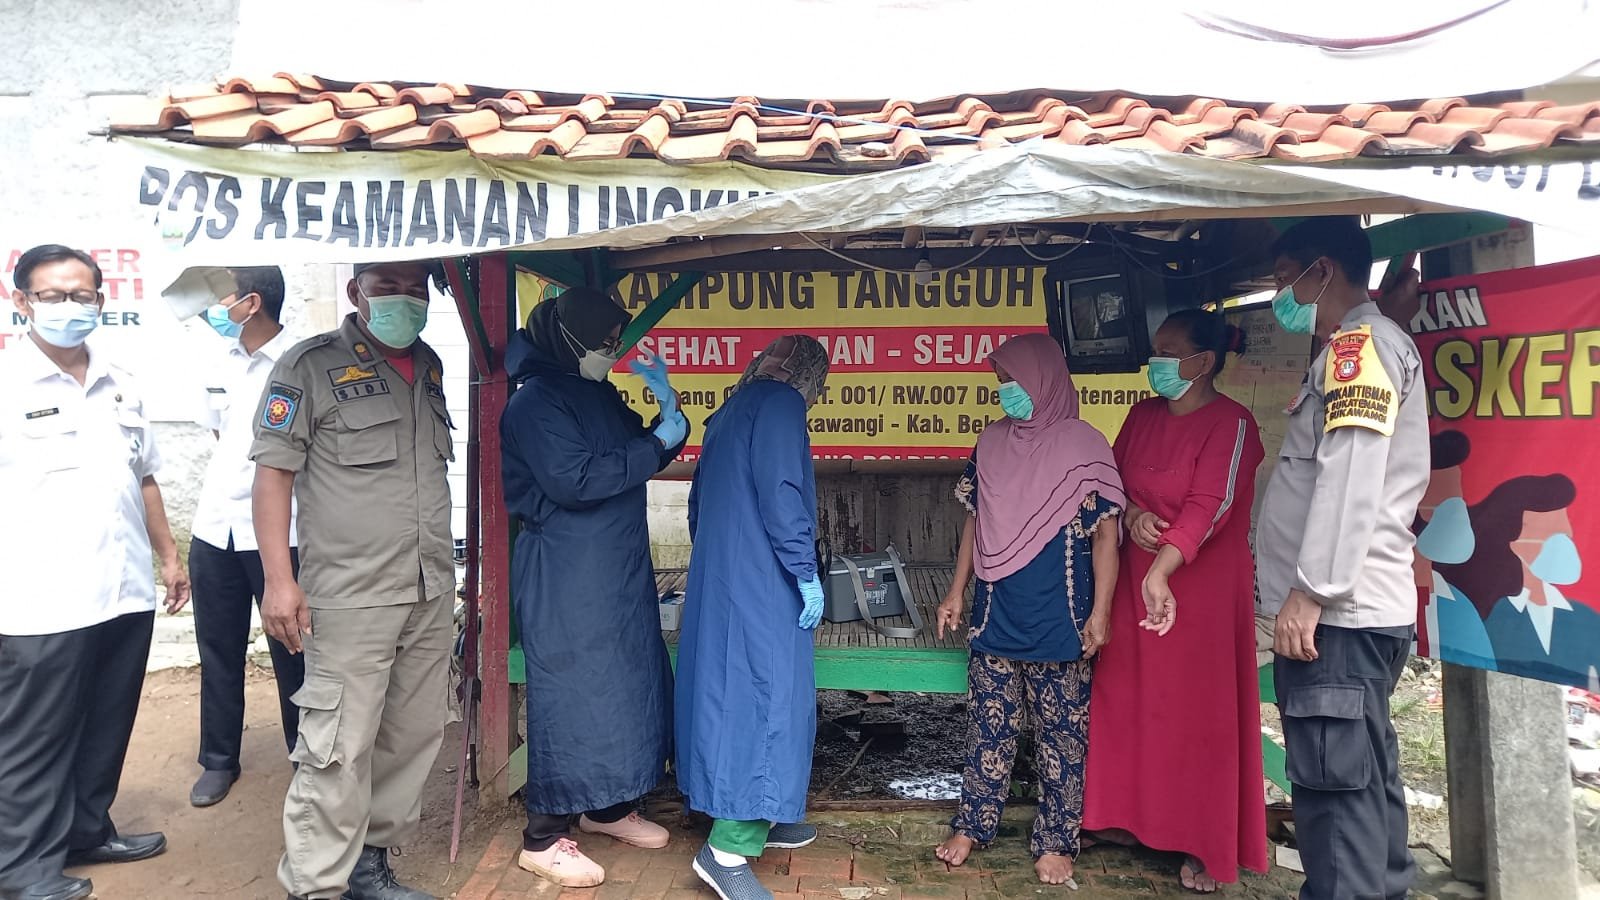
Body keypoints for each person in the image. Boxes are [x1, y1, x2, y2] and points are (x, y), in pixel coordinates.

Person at [253, 260, 456, 900]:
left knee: (411, 734)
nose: (404, 300)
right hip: (350, 595)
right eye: (387, 287)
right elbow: (273, 474)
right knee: (338, 743)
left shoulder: (428, 365)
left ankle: (369, 867)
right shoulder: (308, 366)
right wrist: (279, 581)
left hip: (427, 587)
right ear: (356, 292)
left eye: (415, 290)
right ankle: (316, 886)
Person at [0, 244, 190, 900]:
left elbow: (144, 477)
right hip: (40, 600)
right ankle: (21, 869)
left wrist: (168, 557)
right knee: (34, 738)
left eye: (82, 296)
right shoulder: (8, 383)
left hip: (123, 589)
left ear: (102, 301)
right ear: (22, 301)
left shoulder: (120, 382)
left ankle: (87, 830)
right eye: (53, 296)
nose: (69, 307)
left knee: (107, 722)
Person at [1255, 217, 1429, 900]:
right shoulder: (1372, 340)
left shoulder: (1360, 347)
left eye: (1283, 280)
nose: (1280, 296)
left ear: (1321, 270)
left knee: (1333, 806)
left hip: (1338, 617)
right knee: (1364, 786)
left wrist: (1312, 590)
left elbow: (1350, 470)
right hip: (1357, 615)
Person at [499, 287, 689, 887]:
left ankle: (606, 807)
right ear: (567, 337)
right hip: (566, 570)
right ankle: (543, 835)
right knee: (573, 690)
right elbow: (576, 480)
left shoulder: (595, 392)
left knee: (625, 681)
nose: (611, 350)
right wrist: (657, 441)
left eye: (616, 341)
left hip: (617, 566)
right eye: (604, 341)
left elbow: (648, 450)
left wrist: (668, 411)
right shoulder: (534, 403)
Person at [1082, 309, 1267, 892]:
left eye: (1168, 352)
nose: (1155, 362)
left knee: (1195, 715)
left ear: (1203, 362)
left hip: (1199, 590)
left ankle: (1202, 840)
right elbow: (1111, 481)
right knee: (1125, 699)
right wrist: (1134, 515)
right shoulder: (1142, 415)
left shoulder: (1233, 423)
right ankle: (1120, 817)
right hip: (1134, 581)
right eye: (1155, 351)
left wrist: (1163, 567)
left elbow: (1211, 504)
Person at [933, 333, 1124, 887]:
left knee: (1061, 735)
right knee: (988, 725)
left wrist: (1102, 613)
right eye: (1001, 383)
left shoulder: (1085, 445)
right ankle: (972, 825)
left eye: (1013, 382)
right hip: (996, 611)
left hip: (1061, 617)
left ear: (1044, 380)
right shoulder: (992, 441)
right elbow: (974, 522)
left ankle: (1056, 841)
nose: (1006, 393)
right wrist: (955, 590)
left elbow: (1106, 537)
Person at [676, 335, 831, 900]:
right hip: (764, 583)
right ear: (809, 377)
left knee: (724, 701)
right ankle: (726, 852)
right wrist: (804, 569)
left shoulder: (731, 408)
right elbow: (782, 496)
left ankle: (766, 812)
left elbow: (697, 505)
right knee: (767, 704)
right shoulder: (782, 405)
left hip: (722, 578)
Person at [186, 266, 306, 807]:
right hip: (216, 528)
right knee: (218, 647)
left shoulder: (299, 362)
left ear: (252, 302)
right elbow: (222, 435)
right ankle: (218, 759)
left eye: (222, 297)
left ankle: (303, 752)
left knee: (294, 648)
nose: (214, 307)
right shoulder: (217, 360)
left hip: (282, 532)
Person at [1445, 474, 1599, 686]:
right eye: (1550, 535)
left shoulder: (1586, 619)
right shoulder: (1488, 614)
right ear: (1514, 541)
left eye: (1565, 535)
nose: (1563, 545)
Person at [1411, 431, 1496, 670]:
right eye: (1442, 499)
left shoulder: (1458, 604)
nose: (1456, 510)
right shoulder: (1378, 590)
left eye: (1456, 496)